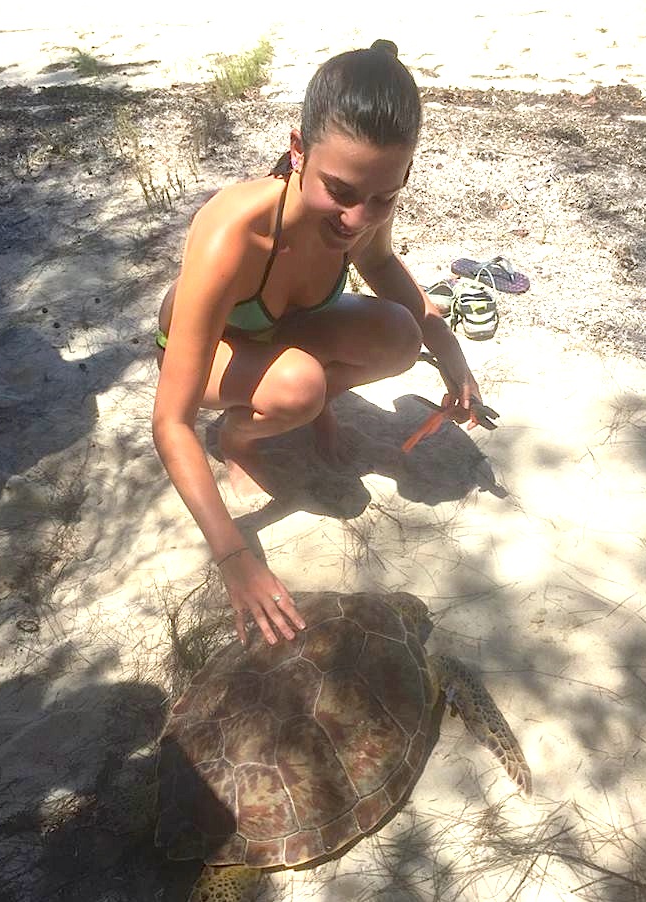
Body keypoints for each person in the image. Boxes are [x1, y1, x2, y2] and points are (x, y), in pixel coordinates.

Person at [153, 40, 486, 647]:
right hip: (198, 350)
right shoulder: (235, 233)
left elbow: (388, 274)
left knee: (400, 337)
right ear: (298, 149)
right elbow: (169, 421)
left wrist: (454, 361)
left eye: (384, 197)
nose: (359, 219)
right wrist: (235, 559)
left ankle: (296, 403)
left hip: (276, 336)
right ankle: (238, 436)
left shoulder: (363, 205)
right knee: (299, 386)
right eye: (341, 192)